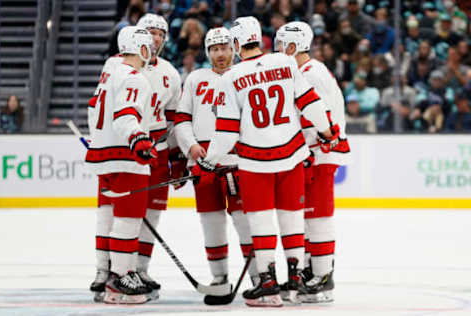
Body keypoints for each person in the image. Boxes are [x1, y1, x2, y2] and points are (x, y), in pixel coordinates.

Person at [191, 16, 339, 307]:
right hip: (293, 154)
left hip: (255, 161)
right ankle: (294, 280)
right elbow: (309, 101)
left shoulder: (229, 78)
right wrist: (325, 129)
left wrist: (210, 161)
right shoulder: (285, 62)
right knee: (291, 217)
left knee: (260, 220)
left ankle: (268, 284)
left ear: (235, 44)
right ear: (260, 38)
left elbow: (226, 131)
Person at [174, 27, 259, 304]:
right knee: (211, 221)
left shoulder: (244, 76)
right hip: (203, 164)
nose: (220, 54)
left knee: (244, 220)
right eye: (214, 49)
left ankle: (260, 279)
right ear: (207, 51)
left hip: (235, 161)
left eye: (224, 48)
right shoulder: (196, 78)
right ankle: (219, 279)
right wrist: (191, 146)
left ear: (233, 48)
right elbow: (182, 119)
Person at [275, 21, 351, 303]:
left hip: (319, 153)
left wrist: (310, 150)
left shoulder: (311, 73)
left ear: (293, 46)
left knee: (319, 215)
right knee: (309, 214)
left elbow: (323, 120)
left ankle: (322, 276)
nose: (278, 50)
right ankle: (311, 270)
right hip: (311, 153)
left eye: (281, 45)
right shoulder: (304, 70)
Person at [85, 26, 158, 304]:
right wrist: (139, 140)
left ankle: (113, 276)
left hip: (106, 157)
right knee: (128, 221)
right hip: (125, 158)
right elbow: (126, 116)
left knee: (115, 220)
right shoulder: (134, 77)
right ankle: (120, 278)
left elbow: (94, 109)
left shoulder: (109, 75)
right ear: (141, 48)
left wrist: (98, 140)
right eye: (147, 47)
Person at [136, 13, 185, 297]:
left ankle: (141, 268)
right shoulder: (122, 67)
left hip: (158, 151)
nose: (155, 38)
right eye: (150, 32)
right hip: (129, 152)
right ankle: (116, 269)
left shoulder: (169, 73)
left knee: (152, 213)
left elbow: (174, 121)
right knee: (126, 214)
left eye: (160, 34)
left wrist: (176, 158)